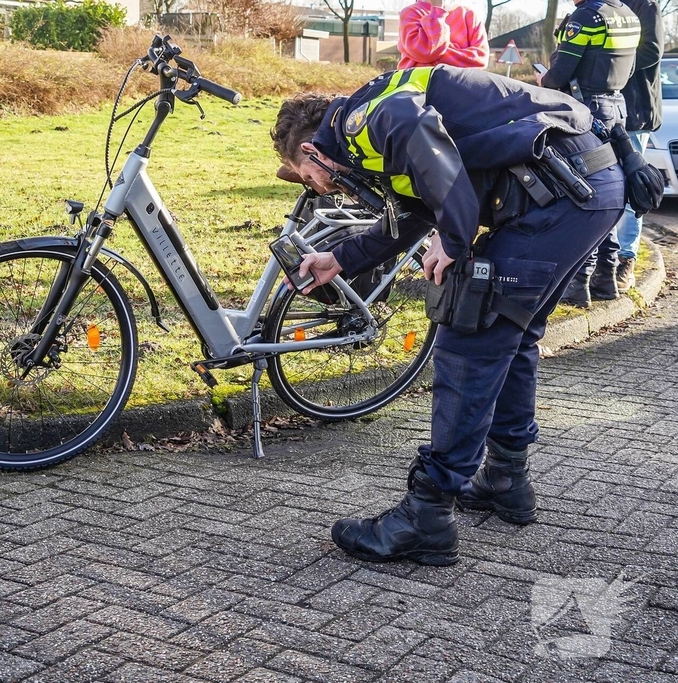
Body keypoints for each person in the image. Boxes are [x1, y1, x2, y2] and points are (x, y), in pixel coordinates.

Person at [271, 66, 626, 566]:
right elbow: (415, 212)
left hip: (558, 196)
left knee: (469, 338)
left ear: (311, 151)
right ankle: (506, 478)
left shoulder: (366, 119)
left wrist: (455, 238)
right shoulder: (370, 133)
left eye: (309, 178)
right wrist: (341, 259)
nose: (321, 190)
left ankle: (427, 515)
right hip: (584, 189)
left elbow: (420, 137)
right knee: (512, 337)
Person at [537, 0, 640, 306]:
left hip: (587, 111)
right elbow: (629, 70)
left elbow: (558, 76)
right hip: (616, 109)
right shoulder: (628, 15)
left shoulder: (586, 17)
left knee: (585, 195)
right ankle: (606, 278)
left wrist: (544, 78)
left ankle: (580, 281)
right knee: (609, 192)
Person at [616, 0, 664, 289]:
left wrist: (612, 64)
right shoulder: (606, 6)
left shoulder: (646, 5)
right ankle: (603, 258)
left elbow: (651, 51)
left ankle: (626, 259)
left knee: (632, 188)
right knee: (606, 188)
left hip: (635, 112)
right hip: (606, 109)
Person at [397, 0, 489, 69]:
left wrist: (432, 59)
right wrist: (437, 11)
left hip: (459, 86)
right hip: (421, 86)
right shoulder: (410, 13)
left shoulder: (469, 14)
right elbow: (425, 52)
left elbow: (481, 59)